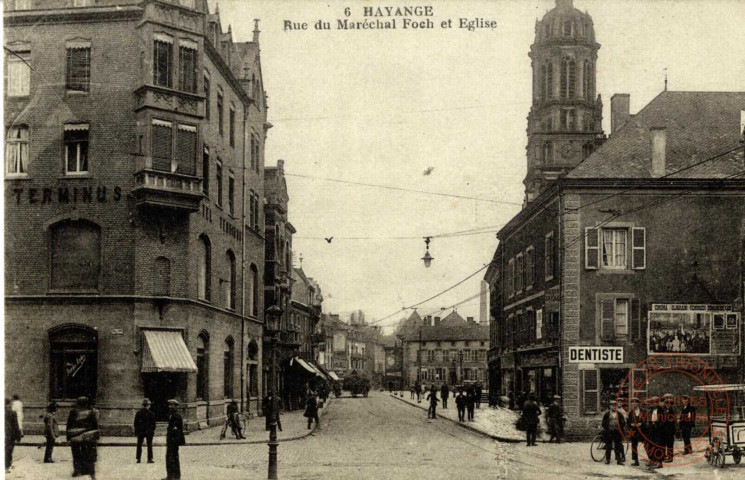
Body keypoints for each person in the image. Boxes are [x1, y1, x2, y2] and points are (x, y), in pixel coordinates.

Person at [66, 396, 100, 479]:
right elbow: (95, 425)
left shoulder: (73, 412)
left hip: (75, 436)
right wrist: (96, 436)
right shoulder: (91, 412)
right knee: (88, 454)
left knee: (76, 454)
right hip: (88, 436)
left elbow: (69, 424)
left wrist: (68, 436)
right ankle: (89, 471)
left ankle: (77, 471)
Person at [164, 399, 185, 480]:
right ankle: (173, 475)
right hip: (171, 440)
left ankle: (173, 476)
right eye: (169, 405)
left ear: (176, 406)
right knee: (171, 457)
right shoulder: (172, 415)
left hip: (173, 441)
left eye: (172, 405)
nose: (170, 407)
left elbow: (176, 429)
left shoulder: (176, 416)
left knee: (172, 457)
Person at [602, 400, 626, 465]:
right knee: (608, 446)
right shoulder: (607, 414)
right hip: (609, 432)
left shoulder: (620, 414)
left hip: (617, 432)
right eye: (612, 405)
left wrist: (619, 427)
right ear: (610, 406)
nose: (614, 407)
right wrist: (607, 428)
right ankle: (607, 459)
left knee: (617, 446)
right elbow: (603, 423)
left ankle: (619, 460)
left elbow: (623, 423)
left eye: (615, 406)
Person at [134, 398, 156, 464]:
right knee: (149, 445)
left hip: (140, 431)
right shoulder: (151, 413)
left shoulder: (138, 413)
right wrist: (152, 430)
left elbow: (135, 423)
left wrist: (137, 430)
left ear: (143, 405)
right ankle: (149, 459)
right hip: (149, 432)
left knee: (139, 445)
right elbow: (154, 424)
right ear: (148, 405)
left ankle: (138, 459)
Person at [5, 398, 22, 473]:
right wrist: (18, 437)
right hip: (9, 435)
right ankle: (6, 466)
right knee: (8, 450)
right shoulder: (12, 413)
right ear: (9, 404)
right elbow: (15, 425)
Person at [626, 397, 644, 466]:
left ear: (638, 403)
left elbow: (646, 421)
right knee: (634, 445)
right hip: (633, 431)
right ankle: (636, 461)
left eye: (636, 402)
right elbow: (628, 422)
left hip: (642, 430)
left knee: (647, 444)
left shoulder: (643, 411)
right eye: (633, 402)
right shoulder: (631, 413)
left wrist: (641, 424)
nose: (634, 404)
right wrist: (631, 424)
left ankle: (651, 459)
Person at [660, 393, 676, 463]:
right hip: (663, 429)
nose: (667, 403)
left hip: (670, 429)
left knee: (669, 444)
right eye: (666, 399)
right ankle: (663, 456)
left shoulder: (672, 409)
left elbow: (673, 420)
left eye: (669, 398)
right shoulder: (662, 409)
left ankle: (670, 457)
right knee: (663, 443)